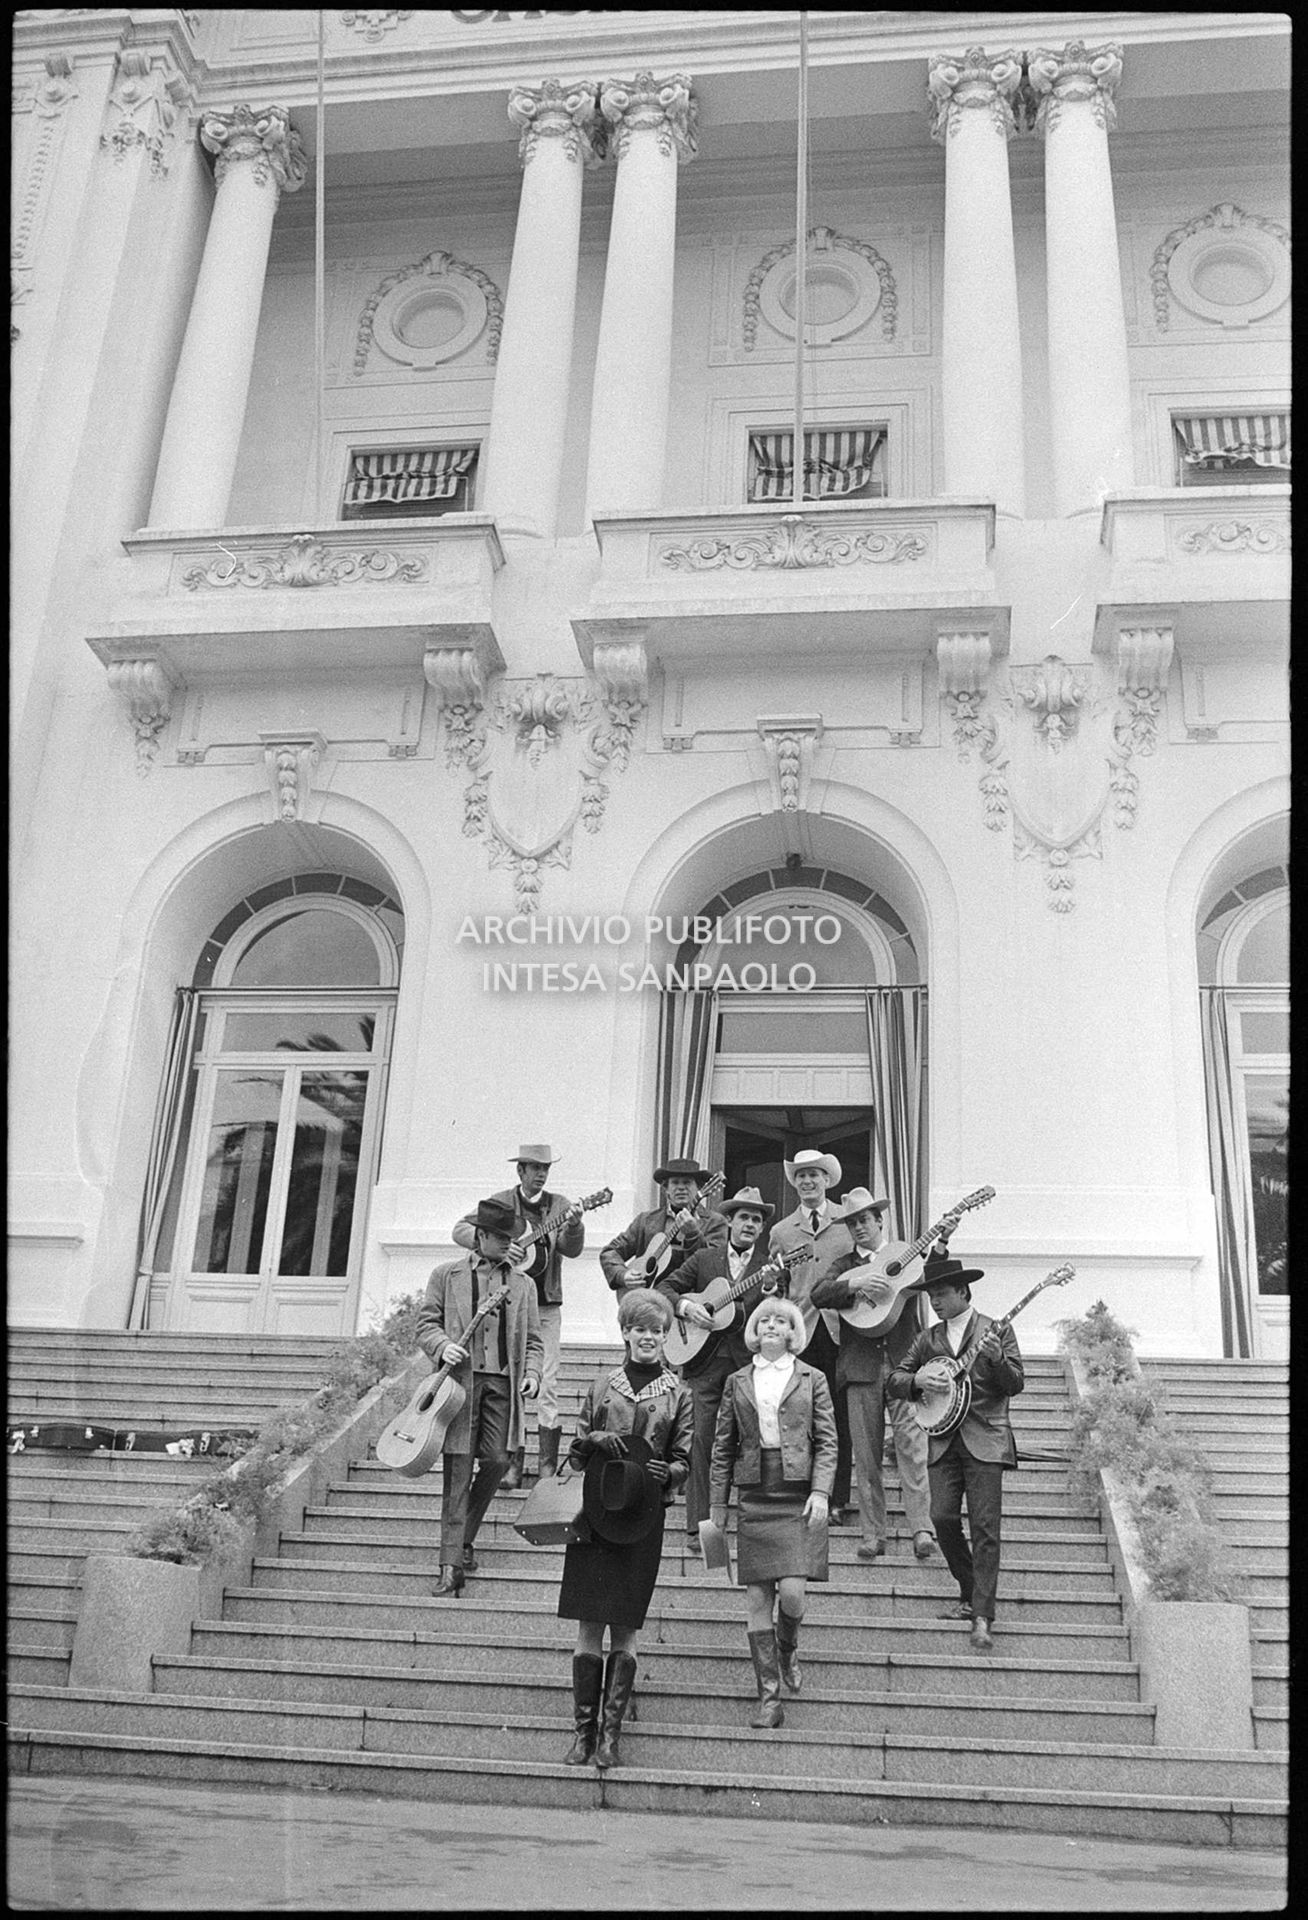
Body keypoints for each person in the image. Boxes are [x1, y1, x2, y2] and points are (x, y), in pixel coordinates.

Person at [558, 1287, 692, 1769]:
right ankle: (583, 1735)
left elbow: (685, 1457)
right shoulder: (601, 1386)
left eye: (657, 1331)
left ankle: (610, 1738)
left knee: (626, 1630)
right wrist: (593, 1437)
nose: (649, 1338)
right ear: (625, 1333)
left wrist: (670, 1472)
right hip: (595, 1515)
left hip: (642, 1518)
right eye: (640, 1329)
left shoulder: (680, 1393)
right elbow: (573, 1454)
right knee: (588, 1626)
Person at [886, 1246, 1025, 1653]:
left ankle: (981, 1614)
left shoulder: (996, 1329)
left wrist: (998, 1361)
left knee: (985, 1529)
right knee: (941, 1517)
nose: (935, 1302)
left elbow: (1015, 1382)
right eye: (931, 1297)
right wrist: (918, 1383)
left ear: (964, 1292)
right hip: (943, 1441)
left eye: (942, 1294)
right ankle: (970, 1588)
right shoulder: (928, 1339)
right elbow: (895, 1378)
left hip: (986, 1439)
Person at [709, 1295, 837, 1729]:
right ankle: (769, 1699)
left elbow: (828, 1441)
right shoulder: (737, 1380)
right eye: (764, 1319)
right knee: (758, 1596)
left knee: (795, 1594)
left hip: (797, 1494)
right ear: (755, 1330)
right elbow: (722, 1447)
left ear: (792, 1332)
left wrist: (821, 1493)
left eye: (781, 1321)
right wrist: (716, 1506)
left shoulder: (812, 1377)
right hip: (753, 1493)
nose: (770, 1326)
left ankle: (787, 1647)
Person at [417, 1195, 543, 1596]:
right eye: (502, 1237)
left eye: (512, 1237)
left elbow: (535, 1341)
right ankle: (450, 1564)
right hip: (459, 1388)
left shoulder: (524, 1284)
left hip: (503, 1386)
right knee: (456, 1475)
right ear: (481, 1237)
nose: (510, 1244)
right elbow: (425, 1325)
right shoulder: (446, 1275)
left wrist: (535, 1375)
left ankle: (463, 1535)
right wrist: (441, 1347)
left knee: (497, 1460)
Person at [655, 1186, 785, 1558]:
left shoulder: (767, 1265)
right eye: (744, 1217)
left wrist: (773, 1287)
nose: (749, 1224)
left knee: (750, 1446)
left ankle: (748, 1525)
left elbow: (779, 1311)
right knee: (700, 1445)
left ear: (761, 1229)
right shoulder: (704, 1259)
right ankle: (700, 1528)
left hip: (747, 1366)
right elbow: (663, 1288)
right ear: (729, 1221)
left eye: (756, 1220)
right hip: (701, 1364)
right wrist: (683, 1308)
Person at [810, 1188, 936, 1564]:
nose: (860, 1227)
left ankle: (922, 1529)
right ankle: (872, 1533)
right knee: (865, 1456)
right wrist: (856, 1285)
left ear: (880, 1220)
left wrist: (941, 1240)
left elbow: (933, 1272)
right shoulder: (846, 1264)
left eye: (865, 1219)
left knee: (913, 1447)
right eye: (853, 1222)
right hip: (860, 1367)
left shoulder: (904, 1257)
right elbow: (819, 1293)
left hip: (903, 1365)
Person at [452, 1143, 584, 1487]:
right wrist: (495, 1246)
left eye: (545, 1169)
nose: (540, 1175)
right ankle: (511, 1463)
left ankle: (546, 1467)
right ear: (520, 1171)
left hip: (545, 1304)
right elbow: (460, 1229)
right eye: (534, 1168)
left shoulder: (560, 1205)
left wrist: (575, 1226)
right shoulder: (501, 1202)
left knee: (546, 1382)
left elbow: (571, 1249)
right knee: (511, 1382)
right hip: (507, 1303)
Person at [768, 1148, 855, 1522]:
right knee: (801, 1416)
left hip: (841, 1331)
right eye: (801, 1176)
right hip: (801, 1330)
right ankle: (802, 1493)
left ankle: (837, 1499)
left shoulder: (847, 1222)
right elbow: (777, 1287)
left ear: (826, 1180)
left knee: (840, 1417)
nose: (807, 1181)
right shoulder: (782, 1231)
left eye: (813, 1175)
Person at [599, 1157, 727, 1294]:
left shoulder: (715, 1222)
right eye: (675, 1183)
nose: (681, 1188)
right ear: (666, 1188)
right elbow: (610, 1252)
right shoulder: (646, 1220)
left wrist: (693, 1234)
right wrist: (622, 1275)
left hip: (690, 1302)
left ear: (699, 1188)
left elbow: (713, 1268)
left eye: (687, 1182)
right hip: (646, 1299)